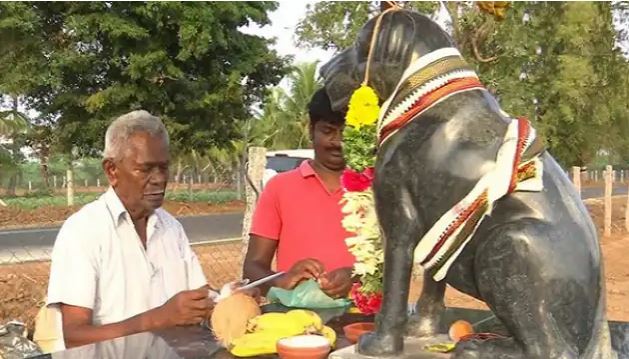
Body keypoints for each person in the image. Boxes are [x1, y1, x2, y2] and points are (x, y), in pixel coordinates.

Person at [44, 110, 213, 349]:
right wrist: (158, 318)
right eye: (145, 169)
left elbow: (199, 297)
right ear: (112, 171)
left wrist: (228, 299)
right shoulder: (83, 232)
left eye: (163, 168)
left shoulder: (171, 228)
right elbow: (75, 337)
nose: (158, 179)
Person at [243, 88, 355, 298]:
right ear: (311, 130)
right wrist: (283, 280)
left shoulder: (375, 190)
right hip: (296, 320)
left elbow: (394, 266)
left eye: (346, 133)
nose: (337, 143)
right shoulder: (279, 187)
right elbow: (252, 268)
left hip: (362, 322)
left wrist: (356, 276)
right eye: (328, 131)